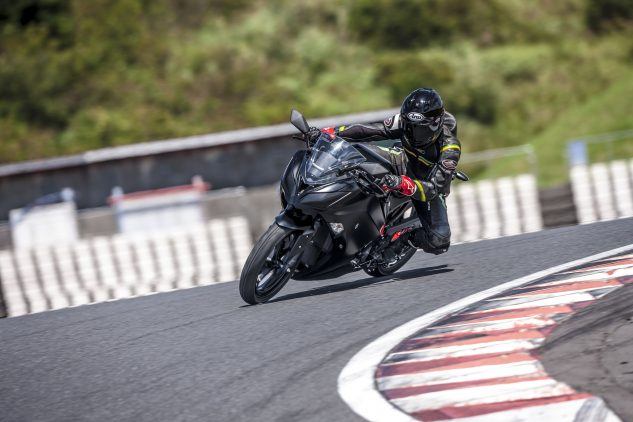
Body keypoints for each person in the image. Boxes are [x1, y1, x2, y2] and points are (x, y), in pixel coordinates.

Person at [313, 88, 461, 254]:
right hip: (403, 160)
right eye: (409, 127)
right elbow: (368, 130)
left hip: (426, 183)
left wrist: (404, 184)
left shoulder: (450, 147)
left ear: (436, 125)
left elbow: (434, 188)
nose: (413, 133)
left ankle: (402, 240)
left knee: (439, 240)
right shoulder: (403, 121)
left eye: (420, 129)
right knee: (356, 151)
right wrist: (330, 133)